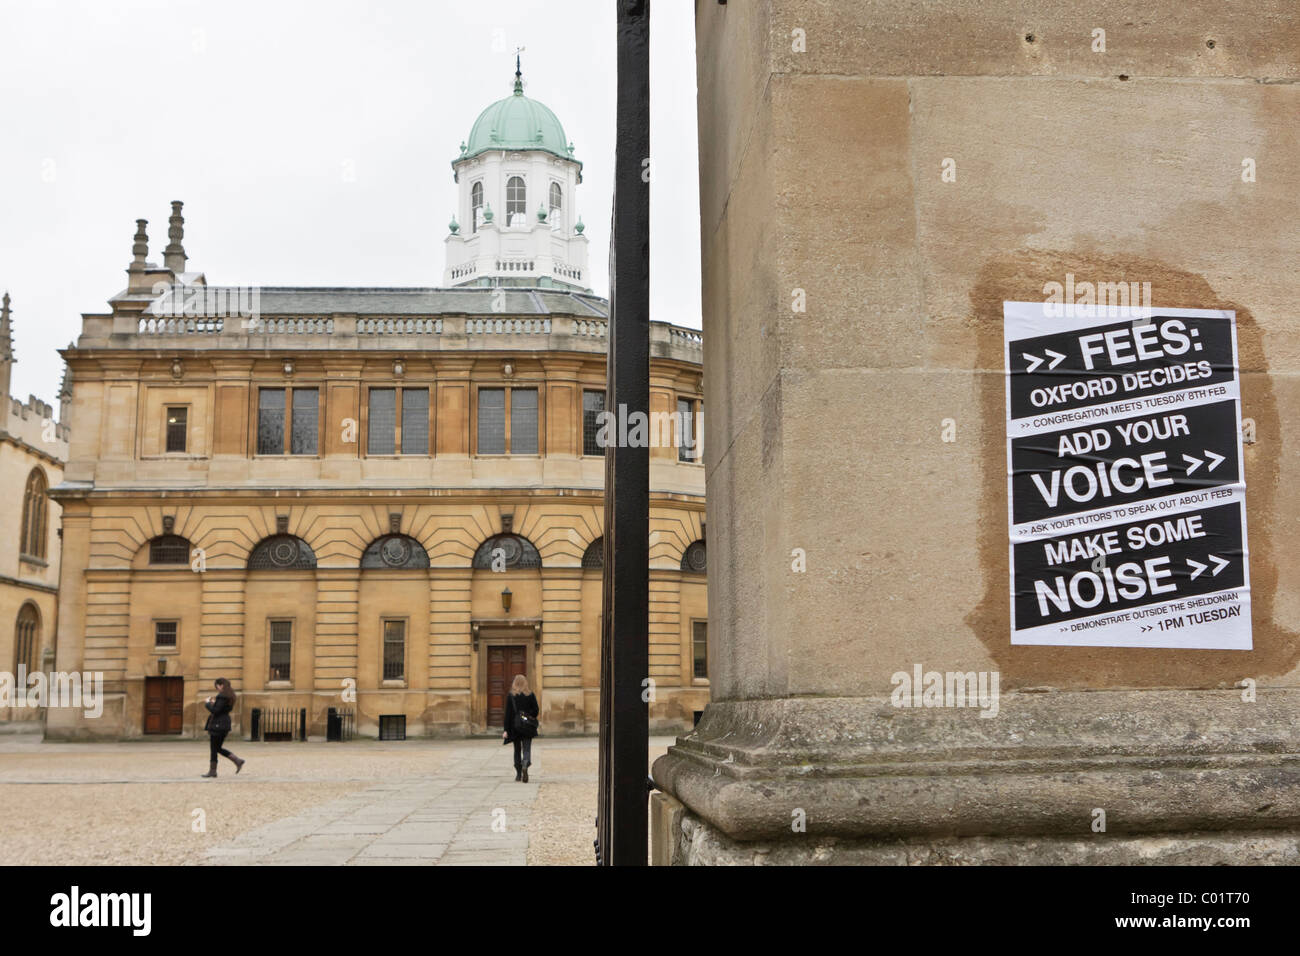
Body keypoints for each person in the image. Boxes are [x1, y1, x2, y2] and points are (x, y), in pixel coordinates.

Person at [201, 677, 246, 778]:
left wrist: (208, 703)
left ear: (221, 685)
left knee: (214, 748)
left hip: (218, 724)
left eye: (217, 687)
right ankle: (237, 760)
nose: (217, 689)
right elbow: (220, 708)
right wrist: (214, 703)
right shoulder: (230, 696)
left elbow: (216, 711)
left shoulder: (222, 696)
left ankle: (213, 771)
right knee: (217, 748)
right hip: (224, 723)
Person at [502, 674, 539, 782]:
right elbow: (536, 710)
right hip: (527, 727)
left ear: (514, 683)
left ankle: (518, 774)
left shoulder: (511, 696)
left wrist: (506, 729)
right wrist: (527, 715)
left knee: (517, 750)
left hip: (515, 727)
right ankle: (525, 764)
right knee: (526, 748)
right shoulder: (530, 695)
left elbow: (508, 715)